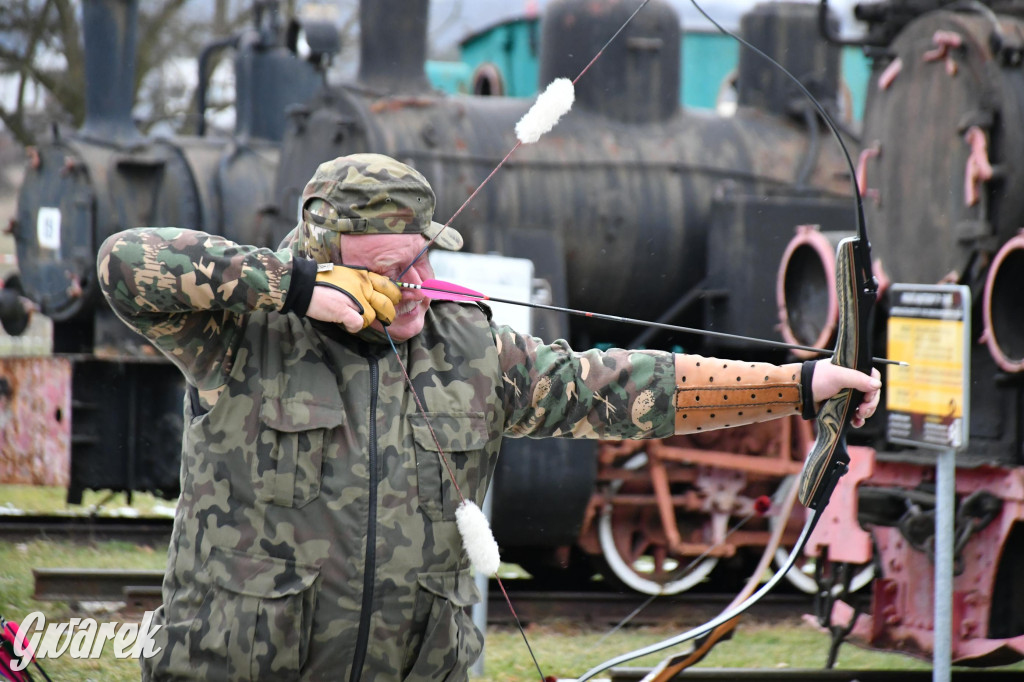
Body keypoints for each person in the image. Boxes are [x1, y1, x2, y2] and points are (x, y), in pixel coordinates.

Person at [97, 153, 881, 681]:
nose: (418, 282)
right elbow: (124, 263)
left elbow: (617, 385)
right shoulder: (243, 334)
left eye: (425, 257)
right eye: (389, 270)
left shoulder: (465, 347)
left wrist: (800, 384)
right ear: (325, 261)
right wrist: (296, 289)